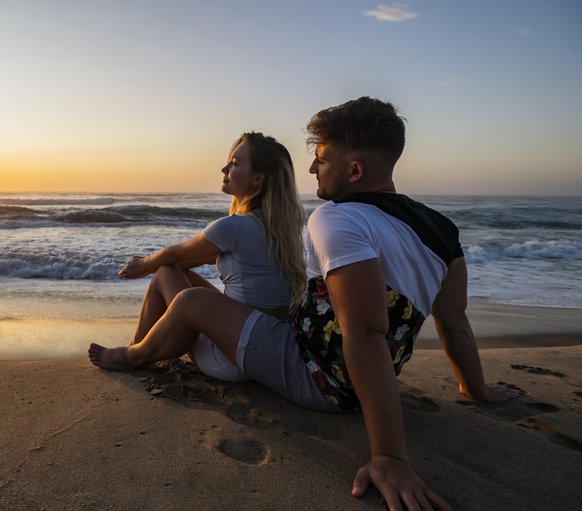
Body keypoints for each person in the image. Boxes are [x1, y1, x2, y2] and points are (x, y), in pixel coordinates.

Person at [89, 97, 520, 511]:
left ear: (354, 170)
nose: (313, 167)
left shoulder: (339, 218)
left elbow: (364, 330)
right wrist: (475, 388)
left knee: (193, 301)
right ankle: (149, 348)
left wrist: (390, 457)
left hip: (313, 373)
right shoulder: (443, 228)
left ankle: (135, 354)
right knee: (194, 295)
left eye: (323, 157)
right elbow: (453, 319)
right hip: (354, 380)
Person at [95, 131, 307, 381]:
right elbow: (187, 259)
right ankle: (141, 347)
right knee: (171, 271)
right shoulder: (283, 227)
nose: (224, 168)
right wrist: (151, 265)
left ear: (257, 179)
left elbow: (175, 254)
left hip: (227, 360)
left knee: (166, 274)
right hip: (262, 348)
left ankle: (135, 351)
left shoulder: (234, 227)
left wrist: (143, 263)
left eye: (235, 164)